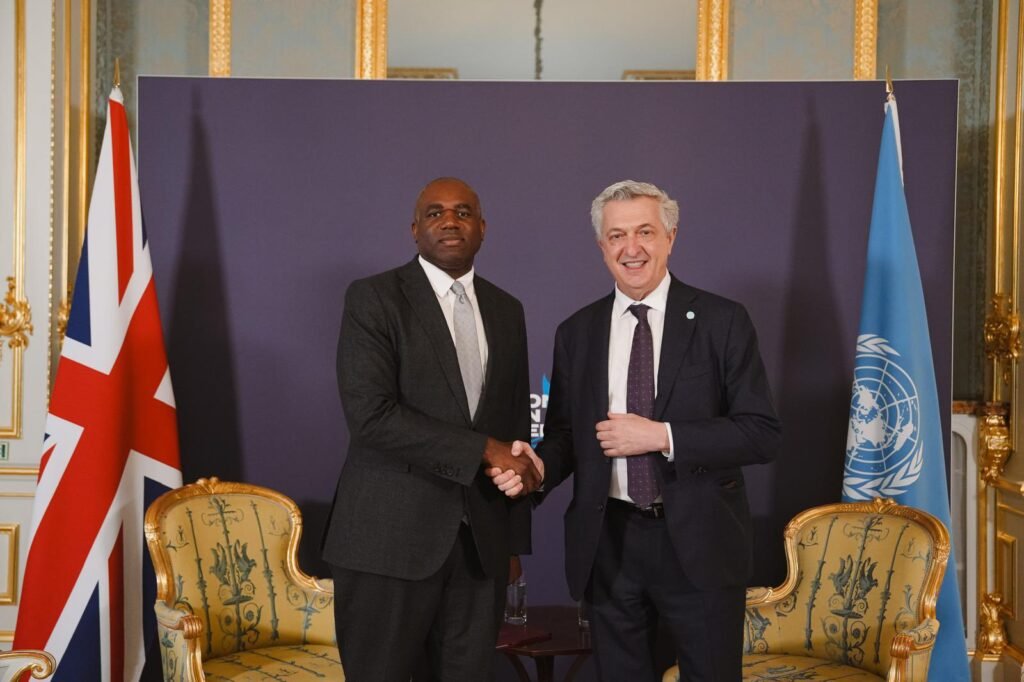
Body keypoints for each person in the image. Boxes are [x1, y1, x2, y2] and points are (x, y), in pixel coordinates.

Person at [493, 180, 781, 680]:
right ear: (601, 246)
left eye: (645, 231)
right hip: (610, 545)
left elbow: (760, 432)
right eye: (617, 235)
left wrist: (663, 436)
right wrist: (537, 466)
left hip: (701, 543)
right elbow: (566, 435)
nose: (632, 248)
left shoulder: (722, 320)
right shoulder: (577, 332)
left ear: (671, 236)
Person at [323, 177, 543, 681]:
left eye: (463, 212)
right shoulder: (374, 298)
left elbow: (512, 429)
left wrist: (511, 543)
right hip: (387, 543)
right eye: (435, 212)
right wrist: (484, 449)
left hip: (480, 552)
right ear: (415, 229)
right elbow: (372, 415)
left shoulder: (507, 309)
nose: (450, 221)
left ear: (482, 228)